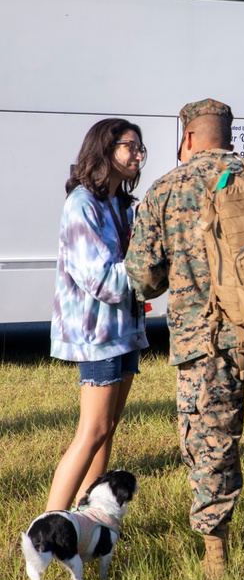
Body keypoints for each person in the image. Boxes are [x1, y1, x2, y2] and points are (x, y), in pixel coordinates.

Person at [125, 99, 244, 576]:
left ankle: (216, 562)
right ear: (231, 135)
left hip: (202, 345)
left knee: (210, 447)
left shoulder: (165, 191)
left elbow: (144, 280)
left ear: (187, 137)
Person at [47, 119, 149, 512]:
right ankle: (48, 530)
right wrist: (147, 263)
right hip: (96, 334)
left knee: (106, 432)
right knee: (91, 432)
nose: (138, 153)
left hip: (125, 330)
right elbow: (101, 280)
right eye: (130, 146)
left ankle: (88, 521)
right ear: (105, 150)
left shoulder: (121, 205)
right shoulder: (82, 205)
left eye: (141, 148)